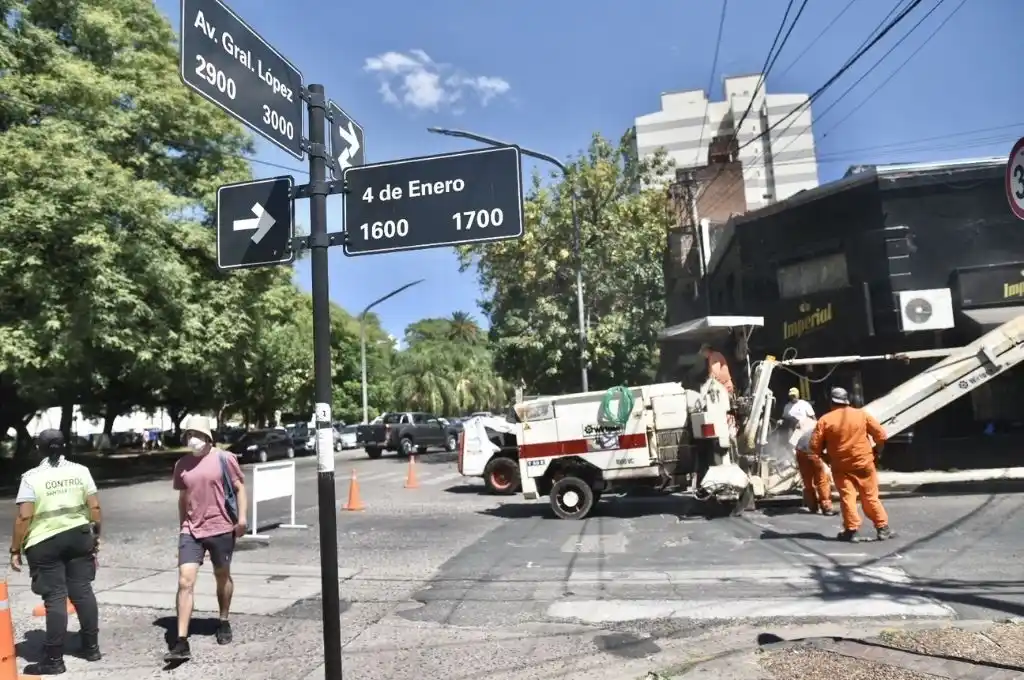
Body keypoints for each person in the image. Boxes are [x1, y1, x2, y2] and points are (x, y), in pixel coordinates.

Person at [9, 429, 102, 674]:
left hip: (45, 542)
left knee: (55, 599)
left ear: (38, 448)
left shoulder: (31, 477)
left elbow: (24, 516)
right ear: (64, 446)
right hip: (79, 537)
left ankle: (54, 659)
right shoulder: (81, 471)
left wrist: (15, 549)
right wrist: (95, 535)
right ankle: (91, 647)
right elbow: (94, 507)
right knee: (83, 591)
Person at [166, 415, 247, 662]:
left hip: (221, 527)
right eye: (190, 435)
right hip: (191, 531)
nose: (193, 440)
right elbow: (183, 498)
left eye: (198, 435)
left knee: (222, 575)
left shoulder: (225, 458)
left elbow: (239, 488)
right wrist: (183, 526)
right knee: (184, 581)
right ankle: (181, 641)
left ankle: (223, 620)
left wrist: (241, 519)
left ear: (208, 437)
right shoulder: (182, 465)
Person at [808, 387, 894, 541]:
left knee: (848, 497)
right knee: (870, 497)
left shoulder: (825, 420)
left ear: (832, 402)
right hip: (864, 463)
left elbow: (814, 447)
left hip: (841, 467)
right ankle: (882, 528)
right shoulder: (861, 415)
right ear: (847, 400)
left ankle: (851, 530)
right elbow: (881, 436)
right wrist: (876, 453)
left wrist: (827, 458)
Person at [793, 416, 836, 516]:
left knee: (807, 481)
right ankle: (826, 507)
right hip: (812, 452)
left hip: (800, 451)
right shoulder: (830, 433)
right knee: (822, 480)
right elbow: (828, 451)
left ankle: (812, 506)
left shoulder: (816, 429)